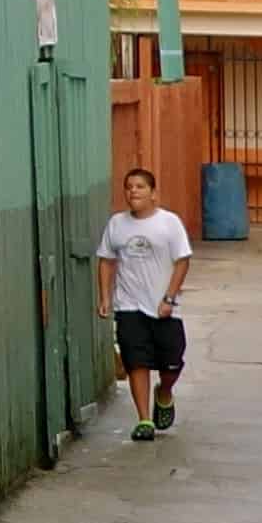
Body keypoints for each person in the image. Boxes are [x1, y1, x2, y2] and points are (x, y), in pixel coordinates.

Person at [99, 165, 197, 441]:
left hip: (164, 308)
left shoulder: (169, 223)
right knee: (135, 361)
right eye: (129, 187)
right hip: (129, 306)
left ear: (154, 193)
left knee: (172, 362)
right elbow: (106, 261)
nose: (133, 192)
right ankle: (144, 420)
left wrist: (169, 298)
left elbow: (182, 261)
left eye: (140, 187)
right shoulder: (117, 224)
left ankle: (164, 393)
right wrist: (105, 296)